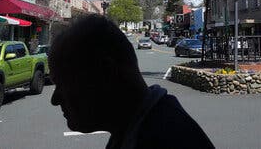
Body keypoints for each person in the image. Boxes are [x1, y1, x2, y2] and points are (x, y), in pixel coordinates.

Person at [49, 14, 215, 149]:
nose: (54, 100)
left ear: (106, 72)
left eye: (64, 82)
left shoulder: (166, 137)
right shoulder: (134, 130)